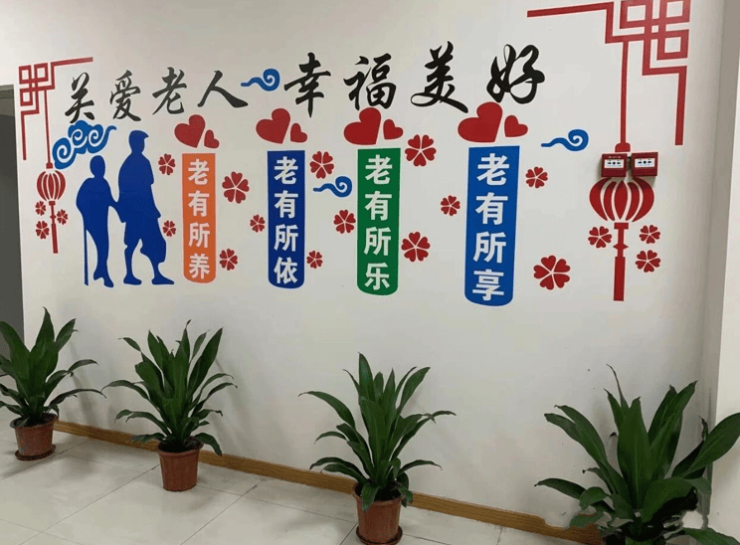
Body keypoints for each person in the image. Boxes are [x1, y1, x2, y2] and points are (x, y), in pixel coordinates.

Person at [117, 130, 173, 285]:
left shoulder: (138, 162)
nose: (142, 145)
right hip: (138, 211)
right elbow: (127, 189)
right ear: (134, 144)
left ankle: (156, 274)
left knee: (153, 242)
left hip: (145, 209)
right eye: (140, 142)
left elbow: (149, 181)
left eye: (142, 142)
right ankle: (129, 274)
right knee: (133, 243)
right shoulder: (133, 163)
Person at [76, 155, 117, 288]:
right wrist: (85, 213)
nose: (102, 169)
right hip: (92, 222)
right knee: (102, 246)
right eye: (99, 167)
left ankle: (100, 270)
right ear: (93, 169)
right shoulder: (88, 183)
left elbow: (111, 201)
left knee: (104, 247)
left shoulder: (104, 183)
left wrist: (121, 210)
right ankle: (104, 273)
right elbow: (79, 201)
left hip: (103, 221)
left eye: (103, 167)